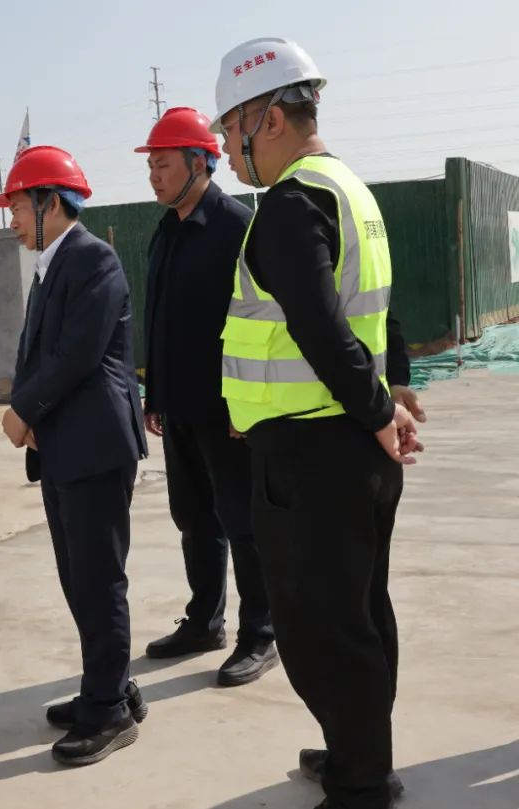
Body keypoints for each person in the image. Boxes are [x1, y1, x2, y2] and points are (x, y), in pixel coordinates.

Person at [212, 38, 423, 809]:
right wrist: (391, 396)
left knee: (320, 627)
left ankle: (361, 784)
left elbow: (319, 326)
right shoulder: (350, 190)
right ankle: (356, 751)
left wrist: (379, 409)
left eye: (229, 126)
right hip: (350, 446)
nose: (225, 147)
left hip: (313, 453)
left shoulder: (290, 204)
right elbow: (377, 310)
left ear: (268, 119)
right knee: (359, 610)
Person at [0, 145, 148, 766]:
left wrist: (23, 409)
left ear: (50, 203)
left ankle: (109, 712)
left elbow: (77, 354)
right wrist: (35, 416)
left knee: (98, 578)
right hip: (66, 445)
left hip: (96, 446)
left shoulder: (92, 259)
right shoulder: (52, 265)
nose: (12, 221)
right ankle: (107, 687)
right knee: (78, 577)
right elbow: (40, 351)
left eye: (17, 207)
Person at [136, 106, 277, 686]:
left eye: (163, 165)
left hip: (228, 412)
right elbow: (161, 317)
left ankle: (261, 633)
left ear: (200, 163)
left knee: (243, 522)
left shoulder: (237, 227)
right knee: (194, 519)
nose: (154, 177)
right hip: (179, 406)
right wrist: (155, 394)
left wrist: (250, 406)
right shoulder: (166, 232)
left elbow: (265, 321)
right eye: (151, 167)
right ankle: (204, 622)